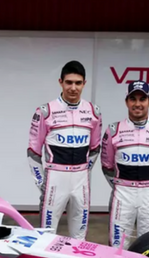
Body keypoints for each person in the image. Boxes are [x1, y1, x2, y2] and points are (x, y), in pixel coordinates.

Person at [27, 61, 102, 239]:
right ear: (60, 82)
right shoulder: (45, 111)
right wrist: (42, 182)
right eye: (69, 82)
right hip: (55, 178)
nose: (73, 88)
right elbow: (33, 152)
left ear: (84, 83)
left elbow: (95, 148)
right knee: (46, 235)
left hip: (80, 180)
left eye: (78, 83)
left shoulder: (93, 112)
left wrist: (84, 171)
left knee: (79, 235)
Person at [100, 80, 149, 249]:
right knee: (117, 245)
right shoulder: (113, 130)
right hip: (122, 193)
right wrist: (121, 186)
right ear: (126, 101)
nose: (137, 104)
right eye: (133, 99)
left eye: (142, 99)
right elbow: (107, 165)